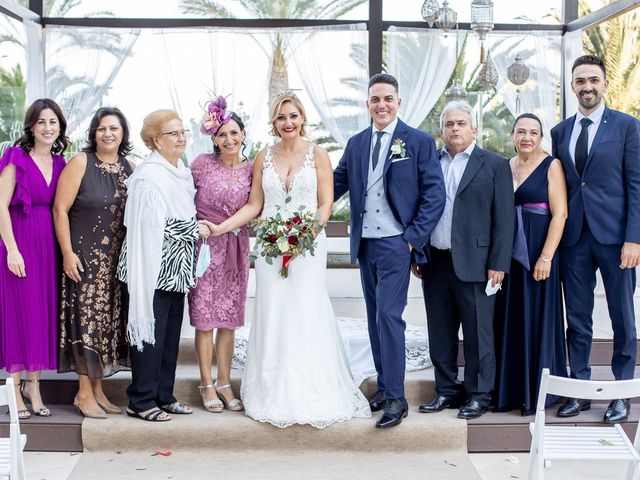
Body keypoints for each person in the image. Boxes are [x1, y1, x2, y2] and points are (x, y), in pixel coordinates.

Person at [209, 92, 370, 428]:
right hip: (269, 248)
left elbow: (326, 204)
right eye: (282, 117)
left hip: (308, 247)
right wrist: (221, 227)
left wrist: (304, 235)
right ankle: (270, 388)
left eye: (293, 116)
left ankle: (315, 387)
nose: (288, 123)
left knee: (306, 309)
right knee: (274, 311)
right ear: (274, 122)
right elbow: (255, 205)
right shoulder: (263, 158)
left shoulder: (319, 154)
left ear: (303, 119)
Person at [333, 73, 445, 429]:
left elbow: (434, 194)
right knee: (373, 316)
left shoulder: (418, 141)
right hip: (365, 243)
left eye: (388, 99)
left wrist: (412, 239)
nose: (382, 105)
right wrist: (299, 200)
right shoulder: (356, 143)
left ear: (399, 103)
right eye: (375, 99)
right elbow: (336, 183)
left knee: (389, 317)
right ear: (367, 104)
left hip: (397, 243)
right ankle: (384, 387)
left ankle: (397, 398)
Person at [551, 55, 640, 423]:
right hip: (575, 239)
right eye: (580, 81)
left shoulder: (627, 127)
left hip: (616, 237)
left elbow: (636, 186)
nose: (586, 86)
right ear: (572, 86)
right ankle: (581, 389)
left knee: (622, 315)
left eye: (593, 80)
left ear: (604, 84)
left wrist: (634, 239)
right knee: (578, 316)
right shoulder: (559, 132)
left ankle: (621, 393)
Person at [417, 101, 514, 420]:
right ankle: (445, 389)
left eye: (461, 123)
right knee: (440, 332)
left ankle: (479, 393)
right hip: (435, 261)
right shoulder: (430, 161)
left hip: (479, 262)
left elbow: (504, 219)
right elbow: (418, 207)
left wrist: (498, 262)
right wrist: (417, 251)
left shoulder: (495, 165)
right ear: (442, 130)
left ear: (473, 128)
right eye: (449, 124)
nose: (455, 128)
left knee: (478, 332)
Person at [116, 109, 211, 422]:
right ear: (155, 140)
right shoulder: (148, 176)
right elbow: (150, 225)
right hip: (151, 268)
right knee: (150, 337)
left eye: (182, 131)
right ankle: (141, 400)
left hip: (176, 269)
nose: (181, 137)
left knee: (170, 336)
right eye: (173, 133)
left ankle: (164, 395)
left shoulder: (179, 171)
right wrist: (194, 228)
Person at [54, 107, 135, 419]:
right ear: (94, 133)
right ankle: (83, 393)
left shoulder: (130, 167)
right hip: (84, 259)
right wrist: (67, 253)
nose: (108, 134)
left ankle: (98, 390)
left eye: (114, 128)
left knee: (104, 326)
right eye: (102, 128)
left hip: (115, 264)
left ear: (122, 133)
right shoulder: (80, 163)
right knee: (85, 323)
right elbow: (60, 210)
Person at [494, 113, 568, 416]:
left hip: (539, 253)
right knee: (509, 317)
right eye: (521, 132)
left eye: (533, 132)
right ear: (512, 136)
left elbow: (560, 214)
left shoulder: (552, 165)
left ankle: (538, 392)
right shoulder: (504, 167)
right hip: (509, 253)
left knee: (537, 318)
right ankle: (511, 389)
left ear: (541, 138)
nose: (527, 137)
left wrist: (546, 256)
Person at [0, 98, 69, 419]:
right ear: (31, 125)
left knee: (41, 314)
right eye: (41, 122)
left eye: (53, 122)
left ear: (60, 127)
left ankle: (34, 386)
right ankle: (13, 388)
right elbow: (0, 205)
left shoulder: (61, 164)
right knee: (18, 313)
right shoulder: (15, 157)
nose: (47, 128)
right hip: (18, 242)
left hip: (48, 248)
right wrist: (12, 249)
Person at [188, 99, 252, 413]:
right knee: (204, 320)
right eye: (222, 135)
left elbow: (256, 208)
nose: (229, 140)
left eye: (234, 133)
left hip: (235, 248)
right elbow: (182, 198)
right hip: (202, 249)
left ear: (243, 135)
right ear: (213, 138)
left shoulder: (253, 170)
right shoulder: (200, 164)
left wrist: (224, 228)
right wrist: (194, 224)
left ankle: (225, 382)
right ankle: (206, 383)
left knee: (228, 321)